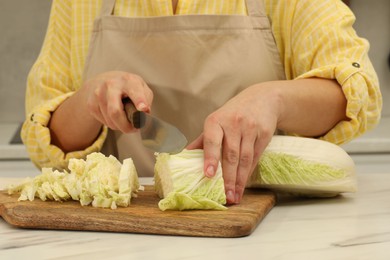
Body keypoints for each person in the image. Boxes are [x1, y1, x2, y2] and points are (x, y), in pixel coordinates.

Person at [22, 0, 382, 204]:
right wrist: (89, 100)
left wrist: (273, 98)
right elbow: (48, 143)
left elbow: (356, 90)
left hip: (268, 228)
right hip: (130, 227)